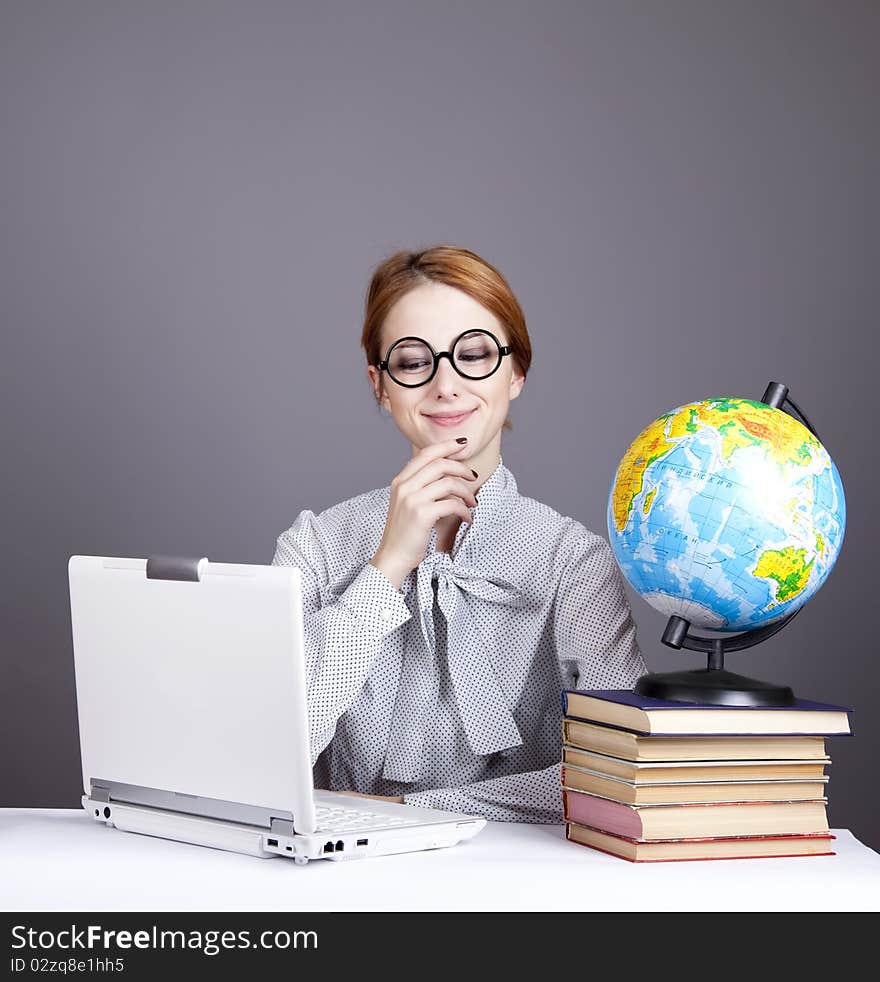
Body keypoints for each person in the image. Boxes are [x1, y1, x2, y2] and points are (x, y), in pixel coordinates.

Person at [272, 245, 646, 823]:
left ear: (516, 372)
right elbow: (269, 750)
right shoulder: (314, 547)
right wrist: (388, 565)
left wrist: (408, 810)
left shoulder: (573, 562)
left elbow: (619, 772)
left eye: (474, 354)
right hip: (338, 883)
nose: (446, 386)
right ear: (380, 384)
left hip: (523, 885)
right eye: (414, 362)